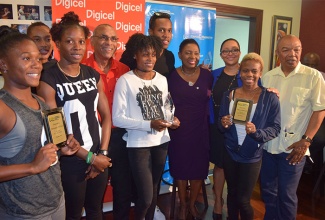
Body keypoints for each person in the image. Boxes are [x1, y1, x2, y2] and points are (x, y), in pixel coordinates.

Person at [37, 12, 112, 220]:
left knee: (96, 209)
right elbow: (57, 132)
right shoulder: (48, 78)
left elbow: (106, 116)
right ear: (58, 43)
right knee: (73, 213)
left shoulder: (92, 74)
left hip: (99, 153)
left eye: (81, 41)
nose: (77, 46)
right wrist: (90, 158)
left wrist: (102, 154)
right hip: (71, 161)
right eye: (69, 41)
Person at [0, 31, 80, 219]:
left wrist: (63, 148)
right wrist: (32, 167)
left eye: (37, 58)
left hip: (56, 202)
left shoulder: (41, 101)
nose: (36, 64)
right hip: (23, 212)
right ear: (4, 64)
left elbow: (42, 150)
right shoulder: (3, 107)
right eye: (26, 58)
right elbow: (36, 163)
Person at [112, 33, 180, 220]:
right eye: (144, 54)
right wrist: (148, 124)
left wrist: (172, 120)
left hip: (161, 141)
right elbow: (117, 119)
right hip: (137, 144)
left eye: (153, 54)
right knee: (145, 196)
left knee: (155, 189)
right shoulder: (125, 80)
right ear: (135, 55)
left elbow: (165, 108)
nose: (149, 59)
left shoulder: (162, 79)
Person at [261, 35, 325, 220]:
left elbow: (320, 111)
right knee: (268, 193)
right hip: (269, 147)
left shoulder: (313, 77)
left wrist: (306, 141)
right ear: (277, 53)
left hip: (294, 148)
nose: (292, 54)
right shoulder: (268, 77)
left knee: (287, 196)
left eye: (296, 49)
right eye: (286, 50)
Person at [219, 52, 281, 220]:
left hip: (251, 155)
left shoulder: (270, 98)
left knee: (244, 200)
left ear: (260, 73)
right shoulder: (229, 95)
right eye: (246, 71)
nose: (250, 75)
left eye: (254, 71)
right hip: (230, 151)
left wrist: (256, 133)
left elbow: (275, 128)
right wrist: (224, 123)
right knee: (231, 194)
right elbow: (221, 124)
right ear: (240, 72)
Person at [83, 24, 131, 220]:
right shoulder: (82, 69)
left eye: (113, 39)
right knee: (93, 194)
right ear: (92, 41)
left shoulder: (125, 70)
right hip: (92, 138)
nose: (108, 43)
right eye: (103, 38)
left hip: (120, 136)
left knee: (122, 188)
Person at [168, 38, 213, 220]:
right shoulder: (170, 76)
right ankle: (183, 203)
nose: (192, 56)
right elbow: (165, 103)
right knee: (180, 168)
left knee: (198, 169)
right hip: (178, 131)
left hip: (201, 130)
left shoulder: (207, 76)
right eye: (188, 52)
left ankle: (192, 204)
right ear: (180, 55)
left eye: (195, 53)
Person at [209, 38, 242, 220]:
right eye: (226, 50)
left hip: (239, 131)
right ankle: (218, 202)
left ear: (239, 52)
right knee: (220, 165)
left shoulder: (247, 74)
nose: (230, 53)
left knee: (235, 167)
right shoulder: (213, 75)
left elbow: (259, 93)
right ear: (221, 54)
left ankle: (233, 203)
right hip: (216, 127)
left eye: (234, 50)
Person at [148, 11, 175, 77]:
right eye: (161, 30)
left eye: (169, 31)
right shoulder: (137, 54)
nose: (166, 35)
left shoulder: (169, 56)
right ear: (151, 32)